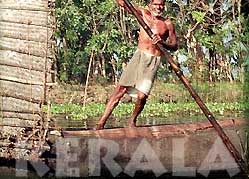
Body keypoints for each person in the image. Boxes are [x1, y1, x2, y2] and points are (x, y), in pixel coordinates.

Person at [96, 0, 178, 130]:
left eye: (161, 4)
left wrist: (162, 42)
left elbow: (174, 45)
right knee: (120, 90)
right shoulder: (143, 14)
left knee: (142, 96)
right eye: (155, 4)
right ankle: (100, 123)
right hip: (139, 56)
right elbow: (124, 4)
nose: (158, 7)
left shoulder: (167, 24)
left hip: (153, 60)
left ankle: (132, 121)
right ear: (150, 4)